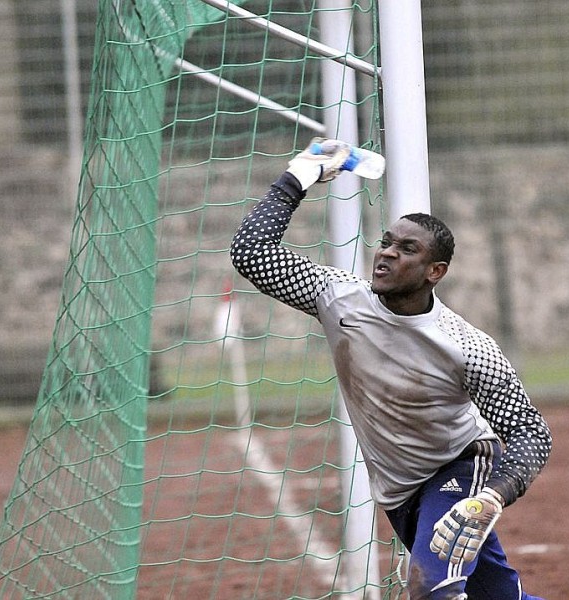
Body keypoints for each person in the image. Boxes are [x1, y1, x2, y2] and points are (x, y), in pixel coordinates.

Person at [230, 139, 552, 600]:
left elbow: (529, 433)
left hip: (457, 467)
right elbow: (251, 254)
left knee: (430, 589)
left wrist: (491, 497)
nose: (386, 253)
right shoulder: (336, 296)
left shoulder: (468, 347)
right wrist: (296, 179)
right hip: (400, 492)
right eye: (386, 242)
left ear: (434, 271)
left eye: (406, 249)